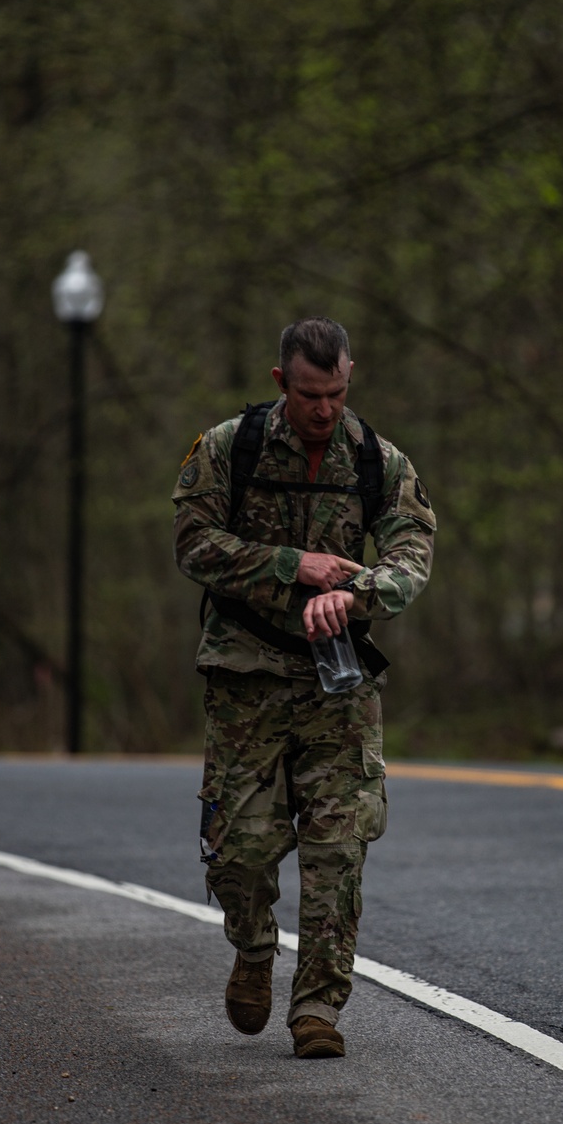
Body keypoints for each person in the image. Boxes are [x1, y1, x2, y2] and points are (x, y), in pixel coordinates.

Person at [172, 317, 435, 1058]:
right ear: (281, 381)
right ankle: (253, 949)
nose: (325, 409)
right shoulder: (230, 449)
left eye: (339, 392)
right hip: (246, 673)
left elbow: (413, 554)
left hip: (338, 682)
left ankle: (318, 1007)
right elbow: (192, 546)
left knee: (339, 846)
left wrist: (358, 595)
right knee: (242, 851)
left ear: (352, 378)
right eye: (312, 394)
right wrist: (295, 566)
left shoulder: (379, 461)